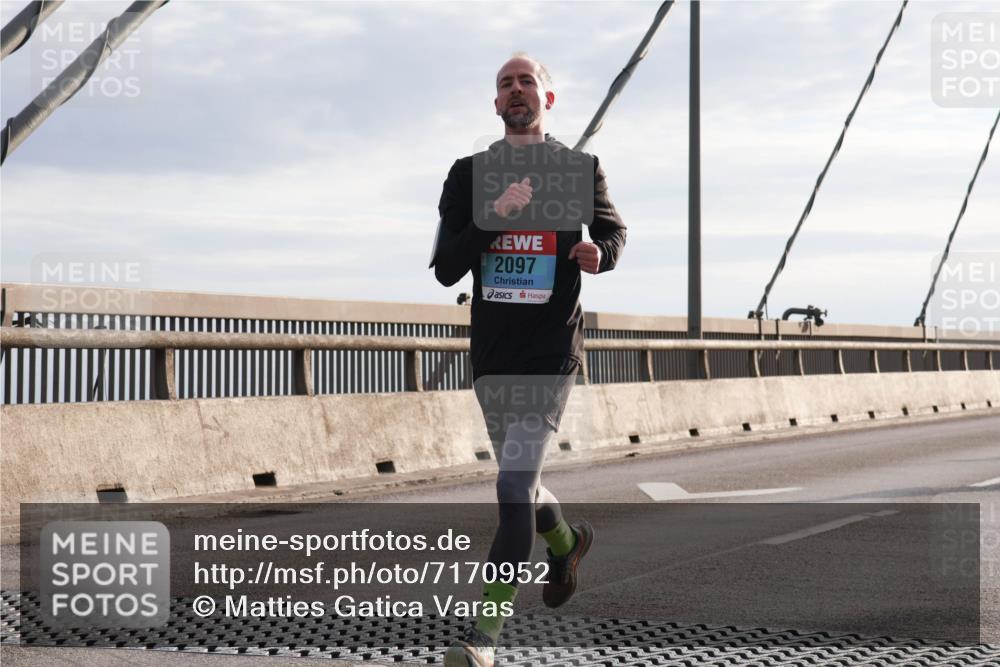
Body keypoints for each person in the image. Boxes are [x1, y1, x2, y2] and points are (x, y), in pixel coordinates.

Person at [431, 52, 627, 667]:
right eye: (505, 85)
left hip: (550, 354)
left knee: (512, 486)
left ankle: (485, 639)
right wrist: (499, 217)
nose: (516, 91)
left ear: (549, 98)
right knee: (527, 485)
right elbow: (446, 268)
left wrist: (601, 253)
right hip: (493, 357)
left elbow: (613, 232)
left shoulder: (579, 169)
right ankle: (566, 544)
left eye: (527, 82)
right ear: (496, 105)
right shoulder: (468, 175)